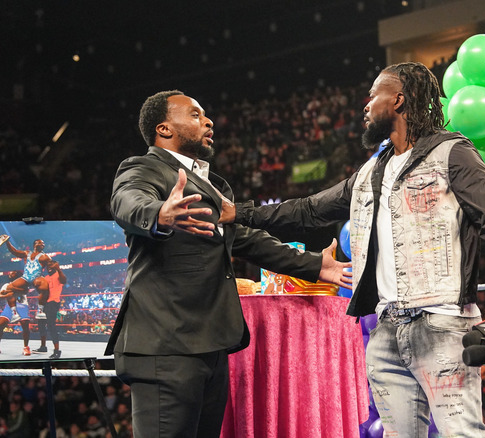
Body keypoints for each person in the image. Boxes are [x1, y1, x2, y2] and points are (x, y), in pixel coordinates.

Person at [223, 62, 485, 437]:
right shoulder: (372, 172)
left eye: (374, 96)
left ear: (399, 100)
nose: (366, 105)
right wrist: (239, 213)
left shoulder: (454, 154)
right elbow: (307, 210)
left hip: (442, 323)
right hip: (386, 330)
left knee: (462, 434)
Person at [108, 90, 352, 438]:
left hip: (209, 345)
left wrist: (316, 266)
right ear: (163, 129)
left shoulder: (209, 183)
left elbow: (246, 239)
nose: (207, 121)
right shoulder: (143, 168)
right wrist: (159, 214)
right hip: (165, 347)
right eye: (194, 115)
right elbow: (127, 201)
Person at [0, 236, 52, 323]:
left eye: (43, 243)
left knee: (45, 285)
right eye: (41, 243)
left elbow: (52, 267)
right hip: (25, 278)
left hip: (37, 278)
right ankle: (14, 313)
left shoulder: (45, 257)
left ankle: (40, 310)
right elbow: (14, 252)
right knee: (9, 288)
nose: (43, 244)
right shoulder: (27, 253)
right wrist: (7, 242)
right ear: (35, 245)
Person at [34, 261, 66, 359]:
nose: (49, 267)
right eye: (48, 266)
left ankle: (57, 351)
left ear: (56, 266)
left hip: (53, 302)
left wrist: (59, 269)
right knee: (41, 324)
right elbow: (42, 290)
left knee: (51, 326)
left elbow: (64, 281)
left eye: (51, 265)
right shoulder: (46, 278)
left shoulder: (58, 275)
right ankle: (43, 346)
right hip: (44, 303)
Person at [0, 272, 32, 356]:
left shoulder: (23, 284)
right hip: (9, 306)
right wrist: (8, 294)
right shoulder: (6, 285)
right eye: (10, 273)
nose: (10, 274)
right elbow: (0, 295)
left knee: (25, 324)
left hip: (22, 306)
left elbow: (26, 291)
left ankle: (26, 347)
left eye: (13, 273)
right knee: (0, 324)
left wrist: (11, 290)